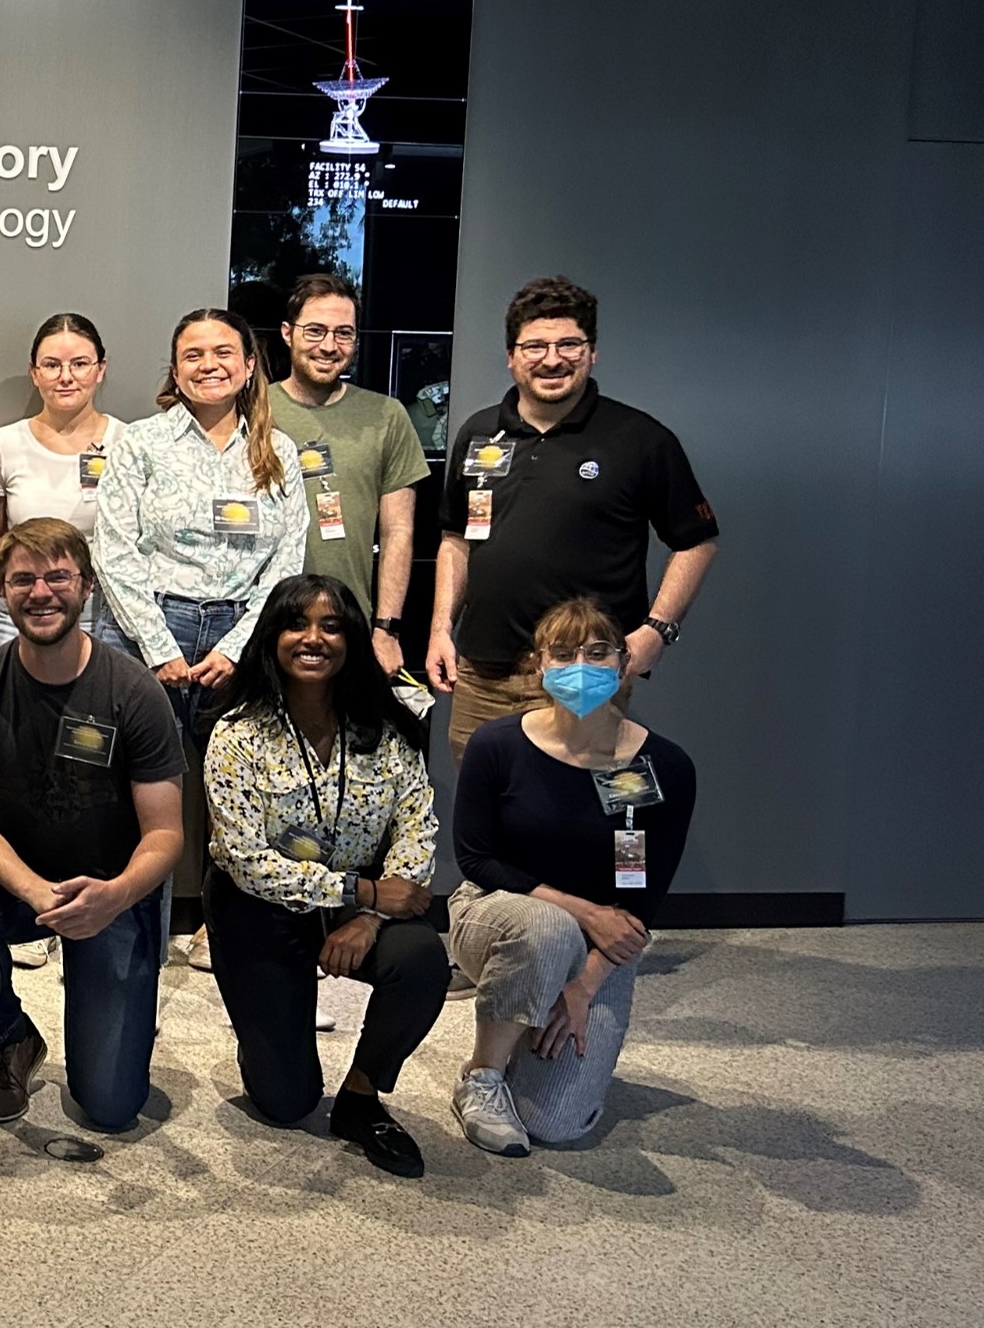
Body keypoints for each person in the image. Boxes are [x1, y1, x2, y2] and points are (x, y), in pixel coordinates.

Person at [0, 519, 184, 1131]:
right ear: (1, 588)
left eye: (57, 576)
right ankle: (9, 1034)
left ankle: (117, 998)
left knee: (112, 1107)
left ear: (87, 585)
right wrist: (37, 892)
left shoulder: (134, 690)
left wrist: (115, 895)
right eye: (23, 579)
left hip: (112, 894)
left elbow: (167, 835)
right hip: (18, 888)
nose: (40, 592)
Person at [201, 575, 446, 1178]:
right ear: (272, 637)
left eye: (331, 626)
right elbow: (245, 860)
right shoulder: (237, 735)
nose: (313, 639)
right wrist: (359, 892)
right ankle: (273, 1019)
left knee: (420, 962)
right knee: (287, 1103)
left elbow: (417, 830)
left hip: (360, 903)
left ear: (354, 639)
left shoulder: (388, 731)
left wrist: (370, 916)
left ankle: (362, 1098)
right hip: (257, 907)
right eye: (296, 624)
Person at [427, 276, 719, 762]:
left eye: (569, 344)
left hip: (584, 673)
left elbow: (698, 541)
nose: (552, 359)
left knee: (574, 815)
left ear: (592, 352)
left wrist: (655, 632)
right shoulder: (478, 432)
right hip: (483, 672)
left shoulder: (639, 439)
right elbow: (456, 538)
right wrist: (440, 628)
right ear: (511, 355)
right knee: (488, 817)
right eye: (535, 346)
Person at [93, 307, 306, 970]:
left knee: (239, 796)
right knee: (138, 797)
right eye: (192, 355)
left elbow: (288, 561)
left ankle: (228, 933)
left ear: (248, 367)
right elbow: (114, 550)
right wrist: (159, 646)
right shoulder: (141, 443)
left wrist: (238, 646)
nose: (208, 364)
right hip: (146, 628)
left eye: (223, 353)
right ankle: (130, 939)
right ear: (175, 369)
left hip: (242, 635)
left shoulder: (279, 451)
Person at [447, 597, 699, 1156]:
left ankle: (527, 1028)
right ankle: (482, 1076)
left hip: (601, 944)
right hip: (496, 913)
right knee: (548, 927)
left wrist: (584, 984)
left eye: (597, 651)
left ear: (624, 661)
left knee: (556, 1123)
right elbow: (476, 859)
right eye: (562, 654)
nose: (579, 665)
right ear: (539, 665)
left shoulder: (664, 768)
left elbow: (642, 895)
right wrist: (582, 912)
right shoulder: (497, 745)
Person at [272, 276, 427, 676]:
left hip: (350, 628)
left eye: (344, 333)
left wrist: (387, 629)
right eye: (315, 331)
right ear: (288, 334)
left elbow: (399, 532)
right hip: (261, 625)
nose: (329, 345)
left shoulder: (387, 416)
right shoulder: (253, 409)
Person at [0, 312, 129, 655]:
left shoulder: (129, 442)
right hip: (20, 615)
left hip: (103, 617)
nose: (66, 377)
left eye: (80, 364)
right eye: (51, 365)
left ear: (100, 369)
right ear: (35, 374)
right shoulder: (4, 443)